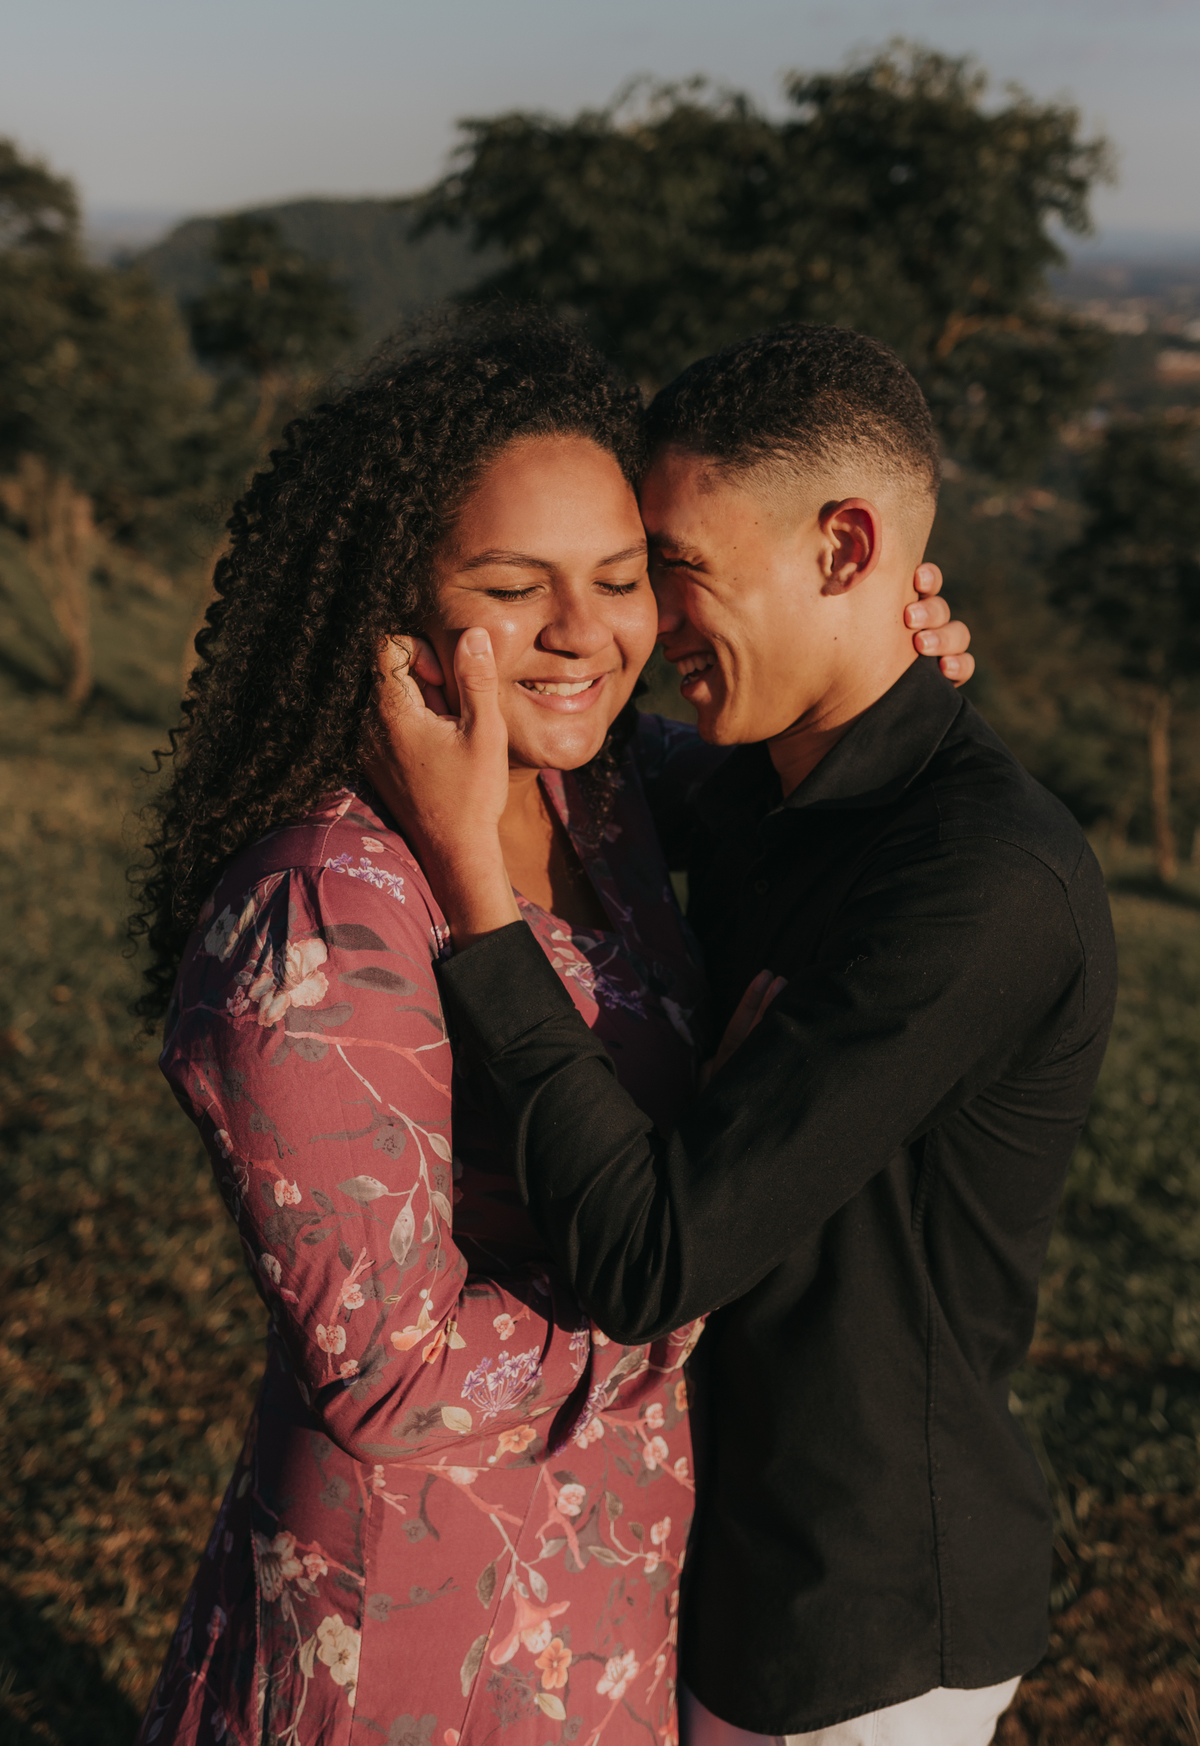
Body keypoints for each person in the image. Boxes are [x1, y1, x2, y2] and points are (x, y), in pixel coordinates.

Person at [133, 313, 970, 1746]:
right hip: (417, 1622)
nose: (587, 635)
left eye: (622, 577)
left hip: (605, 1576)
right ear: (395, 607)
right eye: (514, 588)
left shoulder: (601, 788)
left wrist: (893, 638)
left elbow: (777, 745)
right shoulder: (323, 912)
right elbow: (386, 1374)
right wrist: (695, 1250)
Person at [364, 325, 1118, 1746]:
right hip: (721, 1552)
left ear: (846, 548)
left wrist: (477, 895)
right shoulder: (752, 786)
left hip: (855, 1619)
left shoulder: (979, 887)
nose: (650, 621)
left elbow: (649, 1259)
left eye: (676, 572)